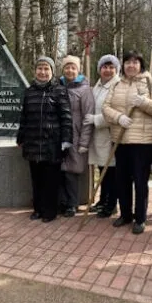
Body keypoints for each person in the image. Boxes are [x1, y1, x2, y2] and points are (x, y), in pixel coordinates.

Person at [102, 51, 152, 234]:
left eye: (135, 62)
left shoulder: (150, 82)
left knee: (140, 181)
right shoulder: (116, 83)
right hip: (120, 139)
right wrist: (119, 117)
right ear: (123, 65)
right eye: (128, 62)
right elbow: (105, 108)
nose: (131, 65)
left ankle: (140, 218)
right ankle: (125, 215)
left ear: (141, 64)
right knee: (121, 179)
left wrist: (143, 102)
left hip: (143, 142)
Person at [17, 56, 72, 223]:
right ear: (35, 71)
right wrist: (20, 137)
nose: (42, 72)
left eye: (46, 69)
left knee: (51, 180)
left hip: (52, 143)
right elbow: (24, 117)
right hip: (33, 143)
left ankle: (50, 211)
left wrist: (66, 139)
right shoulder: (29, 91)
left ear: (52, 72)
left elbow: (66, 117)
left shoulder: (59, 90)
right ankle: (38, 209)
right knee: (37, 179)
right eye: (40, 68)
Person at [58, 55, 94, 217]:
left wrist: (84, 142)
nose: (70, 70)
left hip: (76, 135)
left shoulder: (85, 90)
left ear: (78, 69)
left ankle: (72, 204)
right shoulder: (57, 86)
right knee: (59, 170)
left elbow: (88, 117)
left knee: (72, 171)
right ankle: (61, 202)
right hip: (58, 135)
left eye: (73, 67)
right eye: (67, 67)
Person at [87, 55, 121, 218]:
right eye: (104, 67)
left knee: (111, 171)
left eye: (111, 67)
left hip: (110, 135)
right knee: (102, 170)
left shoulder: (118, 86)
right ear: (99, 69)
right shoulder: (97, 86)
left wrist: (96, 120)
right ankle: (102, 200)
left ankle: (111, 204)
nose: (107, 70)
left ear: (116, 69)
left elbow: (117, 112)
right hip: (98, 136)